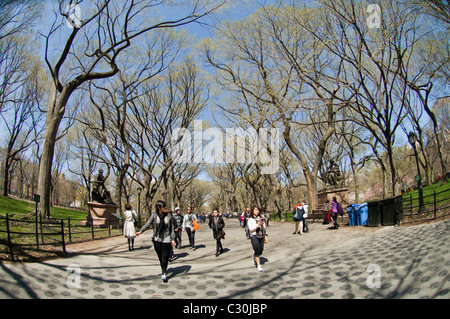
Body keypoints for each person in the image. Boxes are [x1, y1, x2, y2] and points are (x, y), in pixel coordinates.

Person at [136, 200, 176, 282]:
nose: (165, 208)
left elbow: (171, 228)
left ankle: (164, 272)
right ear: (159, 207)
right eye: (163, 207)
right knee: (160, 257)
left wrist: (173, 239)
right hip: (157, 239)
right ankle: (163, 268)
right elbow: (148, 223)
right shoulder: (154, 216)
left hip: (166, 239)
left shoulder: (168, 216)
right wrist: (140, 231)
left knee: (165, 256)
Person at [247, 206, 266, 272]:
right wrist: (257, 225)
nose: (257, 211)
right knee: (257, 250)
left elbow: (264, 228)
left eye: (258, 210)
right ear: (252, 211)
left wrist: (262, 224)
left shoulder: (261, 218)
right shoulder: (250, 220)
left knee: (261, 250)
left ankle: (254, 256)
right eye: (255, 210)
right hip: (254, 236)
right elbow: (251, 229)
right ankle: (258, 265)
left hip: (260, 235)